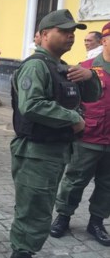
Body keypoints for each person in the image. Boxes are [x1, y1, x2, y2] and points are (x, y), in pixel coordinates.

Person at [9, 9, 102, 258]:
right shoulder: (36, 67)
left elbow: (93, 96)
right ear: (43, 34)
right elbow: (31, 105)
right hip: (36, 153)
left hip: (54, 152)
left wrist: (90, 76)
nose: (70, 36)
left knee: (40, 210)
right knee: (32, 214)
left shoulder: (61, 67)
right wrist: (74, 119)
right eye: (64, 31)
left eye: (73, 32)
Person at [50, 21, 110, 246]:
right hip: (89, 138)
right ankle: (63, 216)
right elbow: (69, 101)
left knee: (107, 185)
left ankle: (96, 222)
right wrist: (75, 124)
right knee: (75, 180)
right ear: (104, 41)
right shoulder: (84, 68)